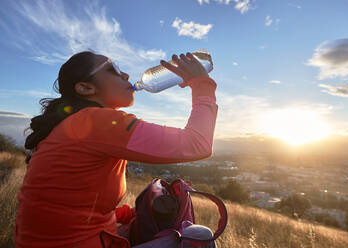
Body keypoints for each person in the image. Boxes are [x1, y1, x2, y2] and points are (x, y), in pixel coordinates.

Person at [14, 51, 218, 248]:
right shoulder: (98, 122)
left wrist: (127, 214)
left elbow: (65, 204)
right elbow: (197, 143)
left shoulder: (69, 125)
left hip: (60, 240)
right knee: (200, 238)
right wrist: (201, 83)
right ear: (86, 89)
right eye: (112, 69)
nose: (126, 75)